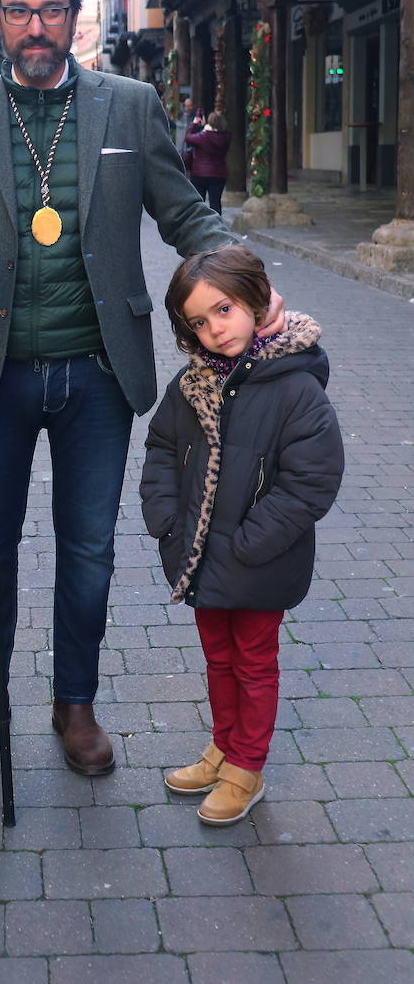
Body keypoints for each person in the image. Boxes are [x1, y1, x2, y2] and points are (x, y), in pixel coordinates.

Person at [0, 0, 284, 776]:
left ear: (74, 17)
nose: (35, 26)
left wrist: (245, 289)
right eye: (18, 10)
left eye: (50, 10)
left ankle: (75, 703)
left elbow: (185, 214)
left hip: (97, 374)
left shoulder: (129, 105)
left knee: (88, 550)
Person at [140, 247, 343, 824]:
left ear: (257, 302)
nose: (214, 329)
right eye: (198, 322)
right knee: (217, 657)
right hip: (199, 555)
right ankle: (223, 745)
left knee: (253, 662)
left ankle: (246, 767)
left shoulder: (296, 389)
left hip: (259, 561)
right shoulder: (193, 384)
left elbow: (310, 483)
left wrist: (250, 543)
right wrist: (166, 521)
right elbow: (159, 449)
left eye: (223, 310)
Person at [185, 110, 231, 214]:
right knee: (215, 203)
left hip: (200, 174)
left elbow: (188, 138)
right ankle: (217, 226)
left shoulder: (203, 136)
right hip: (219, 174)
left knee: (199, 203)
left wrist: (193, 124)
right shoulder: (226, 137)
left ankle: (200, 226)